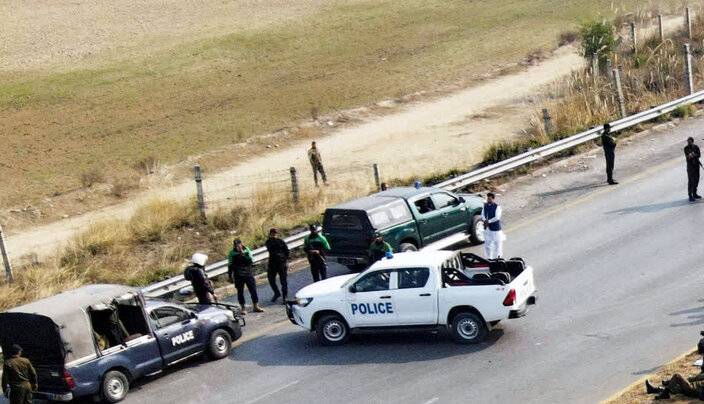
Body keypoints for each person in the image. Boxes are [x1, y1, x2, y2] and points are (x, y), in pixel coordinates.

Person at [228, 239, 264, 314]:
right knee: (240, 292)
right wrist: (230, 276)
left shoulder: (246, 250)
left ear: (241, 244)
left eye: (239, 245)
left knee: (253, 290)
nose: (238, 247)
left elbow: (251, 260)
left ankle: (256, 306)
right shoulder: (232, 253)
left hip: (248, 273)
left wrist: (243, 253)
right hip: (238, 275)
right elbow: (230, 265)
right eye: (236, 245)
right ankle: (243, 308)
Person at [265, 228, 289, 303]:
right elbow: (270, 248)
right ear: (270, 234)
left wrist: (285, 261)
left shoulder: (281, 241)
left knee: (283, 281)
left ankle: (285, 297)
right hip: (272, 264)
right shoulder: (268, 242)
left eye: (275, 233)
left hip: (281, 263)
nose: (274, 234)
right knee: (271, 279)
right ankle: (277, 293)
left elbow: (287, 251)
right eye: (272, 233)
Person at [481, 192, 506, 259]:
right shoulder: (485, 206)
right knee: (487, 244)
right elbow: (482, 214)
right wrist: (484, 220)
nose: (488, 200)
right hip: (487, 229)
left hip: (495, 229)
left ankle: (498, 257)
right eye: (487, 199)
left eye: (490, 199)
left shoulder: (497, 207)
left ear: (493, 199)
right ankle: (489, 258)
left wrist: (488, 221)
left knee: (497, 244)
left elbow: (497, 217)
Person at [685, 136, 702, 202]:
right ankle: (690, 195)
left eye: (690, 141)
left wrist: (694, 155)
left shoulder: (696, 147)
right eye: (688, 141)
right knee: (691, 181)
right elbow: (687, 156)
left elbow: (699, 155)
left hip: (696, 166)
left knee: (696, 180)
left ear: (692, 141)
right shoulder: (686, 148)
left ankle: (695, 193)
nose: (688, 142)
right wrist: (690, 155)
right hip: (690, 167)